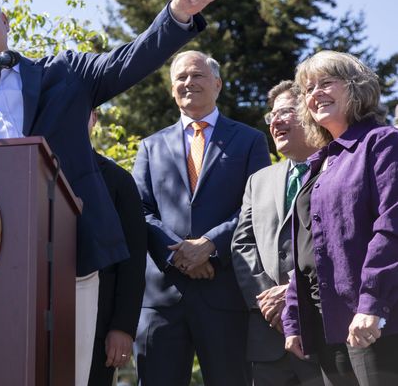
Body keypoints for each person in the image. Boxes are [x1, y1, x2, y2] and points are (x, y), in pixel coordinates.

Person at [0, 0, 222, 385]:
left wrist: (176, 14)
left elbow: (129, 60)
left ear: (4, 22)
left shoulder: (63, 74)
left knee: (74, 375)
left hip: (73, 255)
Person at [132, 50, 271, 386]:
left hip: (224, 292)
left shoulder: (250, 140)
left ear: (218, 84)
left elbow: (256, 207)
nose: (188, 82)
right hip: (163, 298)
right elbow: (141, 210)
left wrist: (210, 245)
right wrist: (178, 253)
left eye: (197, 75)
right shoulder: (150, 146)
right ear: (171, 89)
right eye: (180, 77)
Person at [283, 51, 398, 385]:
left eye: (326, 82)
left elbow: (391, 227)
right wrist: (294, 317)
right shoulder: (319, 163)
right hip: (325, 325)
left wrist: (372, 304)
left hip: (372, 321)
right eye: (308, 88)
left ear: (355, 87)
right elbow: (305, 246)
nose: (315, 92)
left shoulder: (382, 142)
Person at [231, 81, 322, 386]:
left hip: (323, 330)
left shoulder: (337, 167)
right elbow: (242, 244)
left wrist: (296, 295)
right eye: (272, 116)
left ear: (309, 113)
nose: (276, 122)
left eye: (285, 112)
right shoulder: (259, 181)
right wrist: (269, 302)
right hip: (268, 336)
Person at [87, 110, 146, 386]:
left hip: (99, 329)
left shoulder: (118, 180)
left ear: (94, 118)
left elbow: (132, 261)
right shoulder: (29, 167)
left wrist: (122, 326)